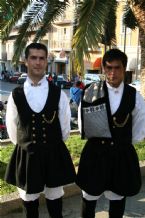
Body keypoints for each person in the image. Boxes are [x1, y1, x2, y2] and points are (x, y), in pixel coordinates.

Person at [5, 43, 76, 218]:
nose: (37, 62)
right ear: (26, 61)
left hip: (53, 154)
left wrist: (50, 145)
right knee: (30, 203)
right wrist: (28, 145)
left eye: (41, 58)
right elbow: (13, 130)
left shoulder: (59, 93)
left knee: (55, 203)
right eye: (33, 58)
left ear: (46, 61)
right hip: (28, 155)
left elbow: (65, 128)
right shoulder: (16, 95)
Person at [76, 48, 145, 218]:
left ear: (124, 68)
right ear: (103, 69)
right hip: (95, 155)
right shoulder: (90, 91)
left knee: (117, 199)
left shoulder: (134, 96)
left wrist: (121, 143)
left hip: (121, 156)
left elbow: (139, 128)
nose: (112, 72)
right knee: (89, 198)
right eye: (108, 68)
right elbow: (81, 123)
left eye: (117, 68)